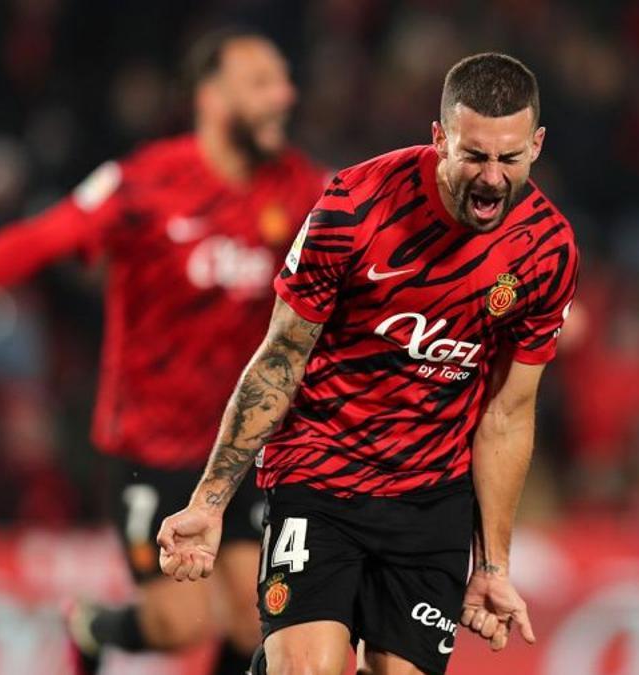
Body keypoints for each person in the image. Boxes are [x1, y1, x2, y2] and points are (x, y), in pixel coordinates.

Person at [0, 27, 329, 675]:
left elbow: (371, 253)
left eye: (283, 79)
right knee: (179, 622)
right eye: (262, 83)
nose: (286, 94)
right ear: (211, 97)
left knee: (256, 620)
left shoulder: (297, 186)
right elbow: (39, 239)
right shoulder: (144, 184)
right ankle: (92, 624)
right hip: (150, 443)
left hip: (244, 438)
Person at [156, 52, 579, 675]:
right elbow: (281, 358)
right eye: (474, 155)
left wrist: (492, 567)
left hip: (430, 502)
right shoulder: (354, 206)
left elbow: (508, 414)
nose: (491, 178)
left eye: (509, 159)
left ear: (536, 145)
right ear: (439, 138)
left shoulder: (548, 251)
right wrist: (211, 501)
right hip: (319, 475)